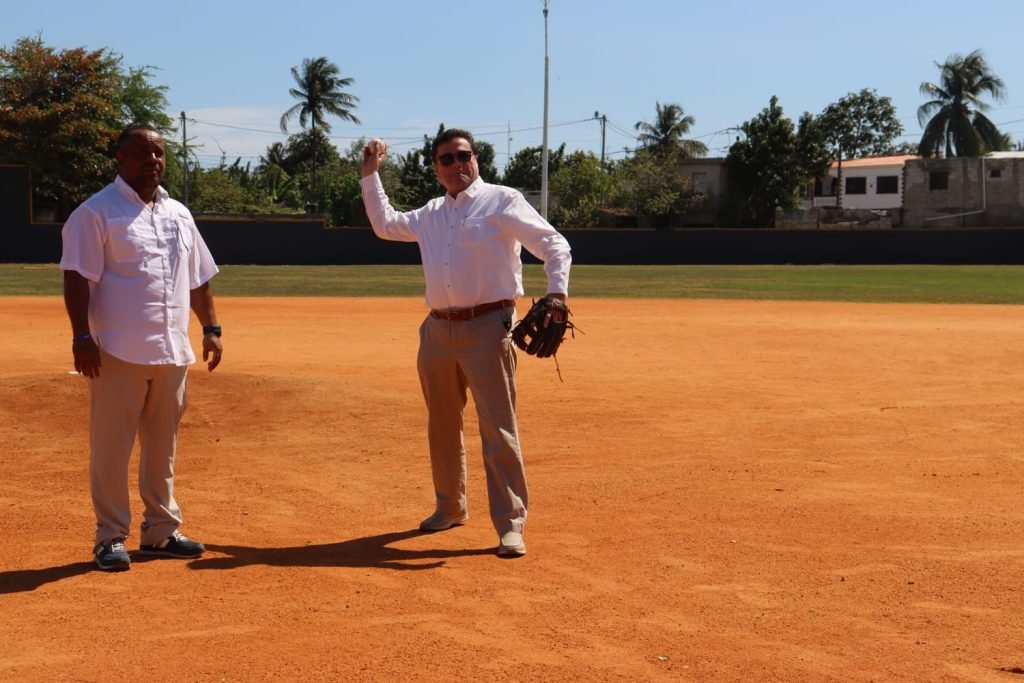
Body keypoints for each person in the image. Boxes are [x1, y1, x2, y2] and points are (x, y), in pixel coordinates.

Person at [359, 129, 572, 557]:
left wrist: (557, 292)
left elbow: (552, 243)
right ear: (436, 167)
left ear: (475, 158)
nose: (457, 165)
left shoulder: (501, 200)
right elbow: (384, 224)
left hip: (488, 326)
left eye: (464, 156)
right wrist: (370, 174)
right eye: (447, 159)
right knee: (442, 423)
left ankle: (511, 523)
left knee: (497, 426)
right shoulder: (431, 213)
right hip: (437, 330)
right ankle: (450, 506)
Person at [60, 123, 223, 571]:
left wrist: (211, 327)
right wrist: (81, 337)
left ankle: (160, 531)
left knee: (162, 446)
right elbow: (76, 277)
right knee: (112, 447)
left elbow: (199, 278)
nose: (153, 160)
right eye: (142, 153)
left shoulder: (179, 214)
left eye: (159, 153)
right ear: (120, 160)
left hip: (173, 350)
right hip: (117, 350)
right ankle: (109, 536)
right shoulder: (96, 213)